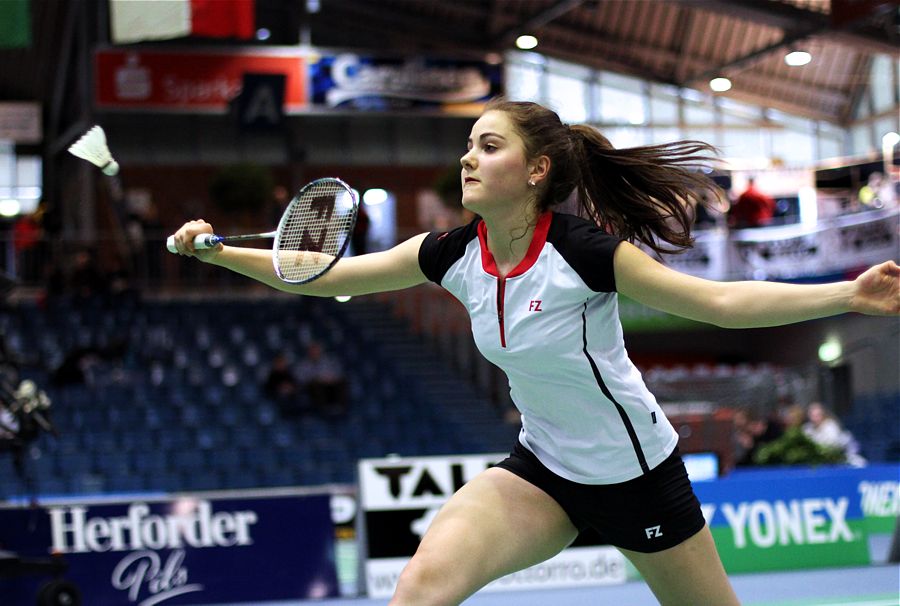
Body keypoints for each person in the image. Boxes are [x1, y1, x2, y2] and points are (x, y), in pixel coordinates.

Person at [171, 98, 899, 605]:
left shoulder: (583, 254)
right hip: (542, 472)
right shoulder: (451, 253)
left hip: (637, 477)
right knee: (420, 587)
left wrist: (846, 295)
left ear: (537, 170)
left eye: (489, 147)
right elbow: (322, 275)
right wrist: (220, 253)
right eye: (467, 147)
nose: (468, 159)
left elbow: (719, 303)